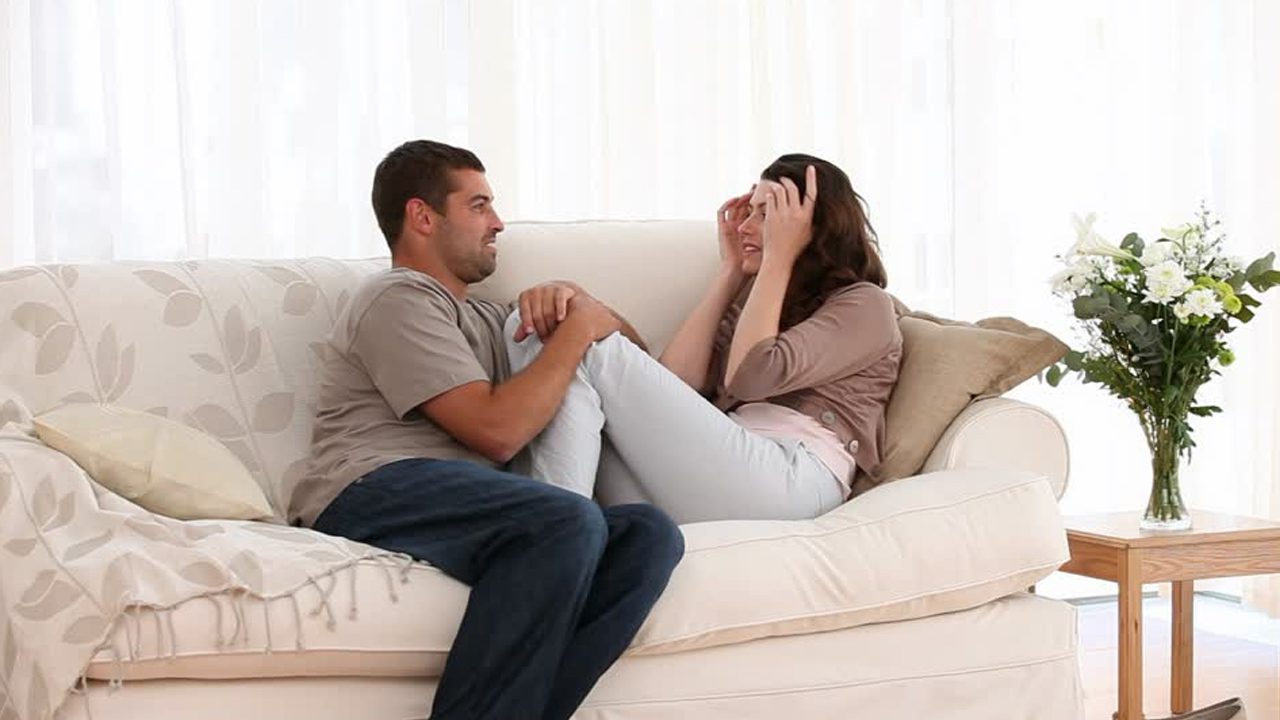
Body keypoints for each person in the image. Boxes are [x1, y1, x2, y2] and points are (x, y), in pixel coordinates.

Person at [289, 140, 684, 720]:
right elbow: (497, 431)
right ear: (422, 217)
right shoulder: (396, 298)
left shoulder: (486, 318)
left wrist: (582, 304)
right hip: (371, 490)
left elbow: (632, 364)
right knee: (564, 518)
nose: (498, 223)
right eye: (478, 206)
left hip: (465, 503)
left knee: (649, 535)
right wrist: (574, 334)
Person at [507, 154, 902, 524]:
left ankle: (556, 533)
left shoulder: (865, 305)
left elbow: (752, 376)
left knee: (583, 337)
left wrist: (779, 258)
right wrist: (730, 272)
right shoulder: (756, 304)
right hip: (722, 474)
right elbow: (678, 382)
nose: (746, 226)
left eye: (766, 215)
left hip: (792, 479)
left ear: (810, 229)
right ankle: (562, 527)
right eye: (748, 212)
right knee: (534, 331)